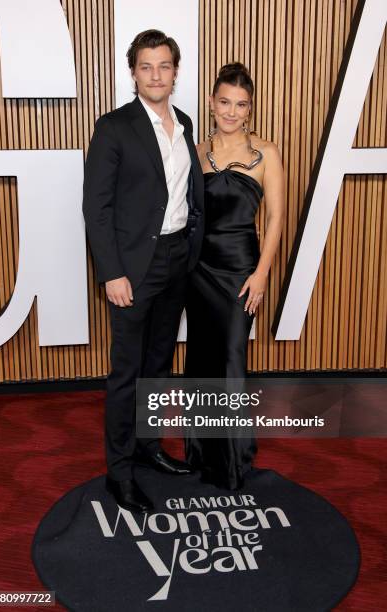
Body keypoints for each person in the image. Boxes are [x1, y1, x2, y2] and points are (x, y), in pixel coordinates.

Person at [83, 30, 204, 513]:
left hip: (178, 260)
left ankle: (148, 447)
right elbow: (98, 207)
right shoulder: (114, 127)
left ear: (176, 72)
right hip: (133, 269)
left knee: (158, 367)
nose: (156, 74)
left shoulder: (186, 123)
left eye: (165, 66)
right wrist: (112, 272)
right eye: (146, 66)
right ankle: (119, 472)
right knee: (127, 374)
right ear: (132, 73)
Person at [185, 63, 284, 490]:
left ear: (250, 108)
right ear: (211, 103)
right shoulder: (196, 152)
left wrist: (262, 273)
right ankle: (201, 455)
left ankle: (231, 462)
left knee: (229, 359)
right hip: (199, 269)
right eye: (224, 101)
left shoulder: (267, 153)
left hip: (242, 268)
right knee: (201, 360)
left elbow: (277, 217)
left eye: (240, 104)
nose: (231, 111)